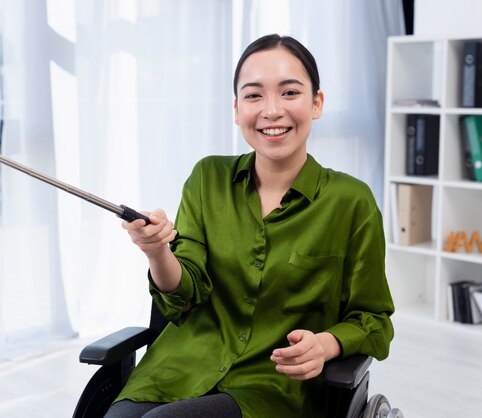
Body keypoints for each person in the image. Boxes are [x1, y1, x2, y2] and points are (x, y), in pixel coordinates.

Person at [104, 34, 394, 418]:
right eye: (255, 96)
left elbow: (374, 322)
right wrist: (156, 250)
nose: (272, 111)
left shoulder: (351, 201)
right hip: (179, 368)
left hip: (272, 388)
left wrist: (325, 344)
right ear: (237, 109)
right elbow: (185, 292)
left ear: (317, 103)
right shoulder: (207, 178)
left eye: (289, 92)